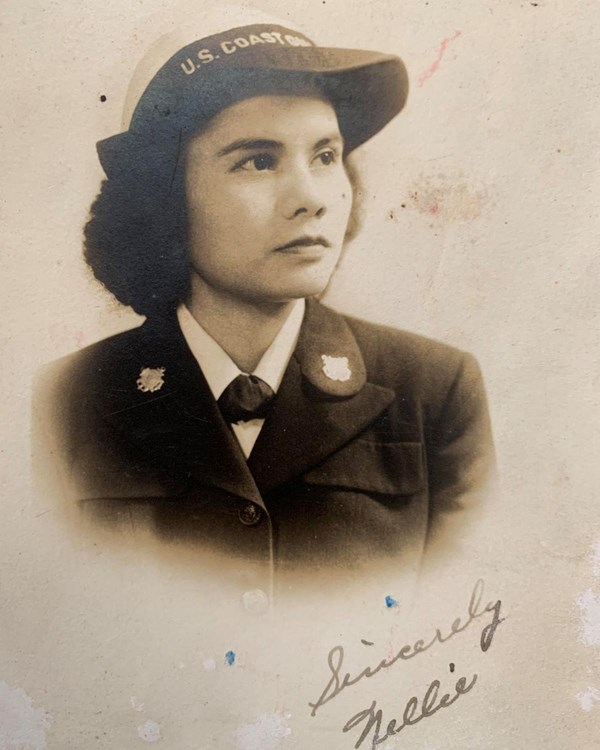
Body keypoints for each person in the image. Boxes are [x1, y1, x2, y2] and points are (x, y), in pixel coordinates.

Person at [34, 20, 495, 571]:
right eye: (258, 160)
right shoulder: (67, 399)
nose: (311, 199)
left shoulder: (434, 392)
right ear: (165, 201)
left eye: (325, 157)